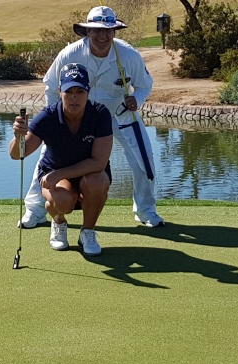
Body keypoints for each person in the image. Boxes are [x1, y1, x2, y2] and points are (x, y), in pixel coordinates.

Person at [18, 5, 165, 229]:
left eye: (107, 30)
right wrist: (57, 118)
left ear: (115, 31)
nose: (102, 35)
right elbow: (50, 86)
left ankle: (146, 210)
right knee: (48, 158)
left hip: (120, 115)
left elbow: (145, 85)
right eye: (96, 30)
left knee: (144, 159)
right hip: (76, 115)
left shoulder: (128, 55)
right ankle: (35, 211)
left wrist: (138, 101)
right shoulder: (70, 53)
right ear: (87, 31)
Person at [9, 64, 112, 256]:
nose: (74, 97)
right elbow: (17, 154)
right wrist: (18, 137)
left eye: (80, 91)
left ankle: (87, 232)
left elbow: (99, 162)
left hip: (85, 174)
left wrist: (59, 174)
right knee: (63, 200)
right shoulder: (48, 117)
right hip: (54, 175)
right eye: (69, 91)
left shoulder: (99, 114)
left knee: (98, 181)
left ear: (88, 92)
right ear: (60, 92)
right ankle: (58, 222)